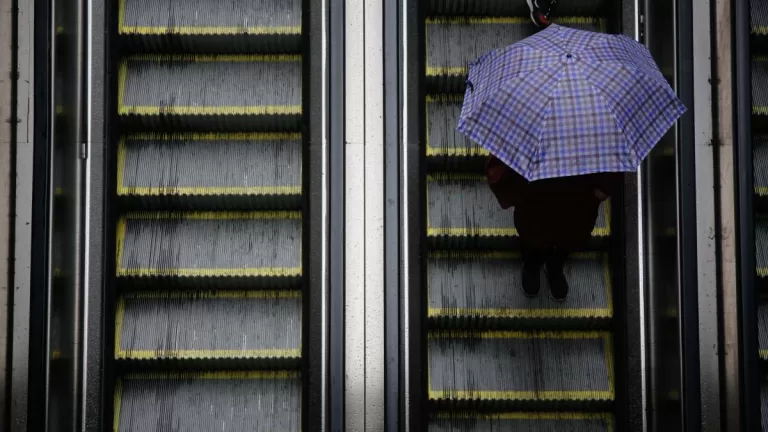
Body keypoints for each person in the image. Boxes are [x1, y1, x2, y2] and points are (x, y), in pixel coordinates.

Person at [486, 155, 622, 301]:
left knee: (567, 239)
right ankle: (532, 266)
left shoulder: (596, 135)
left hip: (578, 202)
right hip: (537, 199)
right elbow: (499, 165)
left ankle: (554, 268)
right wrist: (514, 192)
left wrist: (603, 188)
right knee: (533, 239)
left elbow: (615, 158)